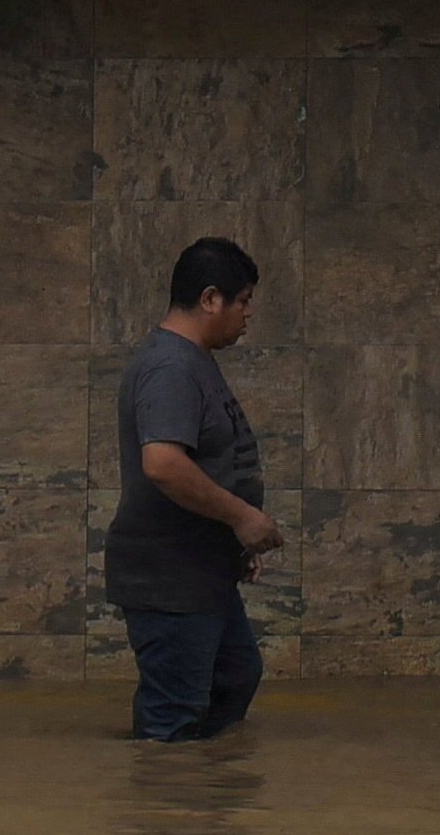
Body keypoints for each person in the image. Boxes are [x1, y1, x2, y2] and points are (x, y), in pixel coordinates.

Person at [108, 235, 281, 744]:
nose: (248, 314)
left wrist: (232, 545)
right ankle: (165, 807)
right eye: (243, 300)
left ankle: (205, 803)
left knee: (234, 678)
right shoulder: (171, 366)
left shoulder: (192, 361)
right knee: (174, 721)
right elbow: (162, 463)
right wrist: (241, 518)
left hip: (202, 571)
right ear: (210, 299)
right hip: (170, 578)